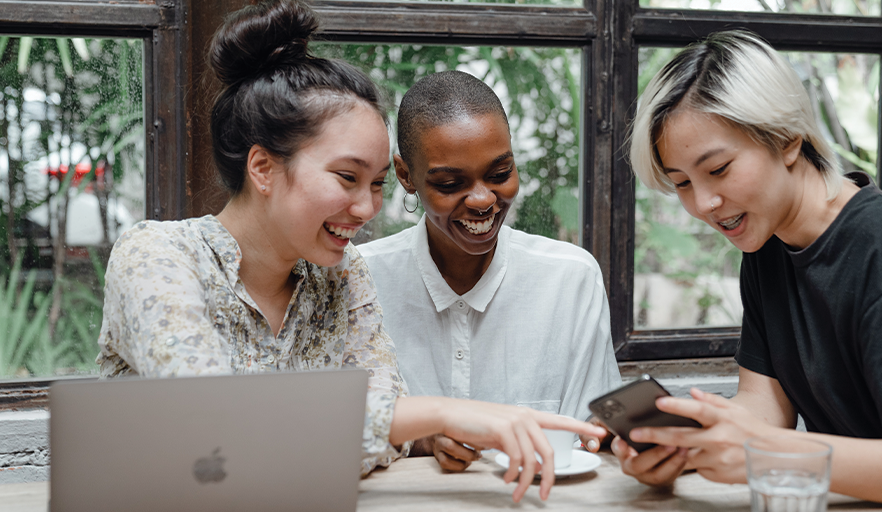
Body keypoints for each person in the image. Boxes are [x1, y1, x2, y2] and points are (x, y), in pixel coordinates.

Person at [94, 0, 603, 504]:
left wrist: (394, 429)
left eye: (377, 183)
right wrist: (440, 415)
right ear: (263, 168)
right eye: (347, 177)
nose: (366, 209)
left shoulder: (339, 274)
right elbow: (212, 428)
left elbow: (387, 434)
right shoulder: (158, 256)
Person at [614, 30, 882, 507]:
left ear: (787, 139)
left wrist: (764, 450)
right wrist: (689, 443)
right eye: (681, 183)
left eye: (718, 169)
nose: (703, 203)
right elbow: (766, 407)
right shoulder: (766, 245)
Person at [358, 71, 622, 472]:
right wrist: (424, 436)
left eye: (500, 174)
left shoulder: (570, 279)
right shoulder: (361, 281)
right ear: (406, 175)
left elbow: (594, 434)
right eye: (450, 183)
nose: (483, 200)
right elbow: (330, 431)